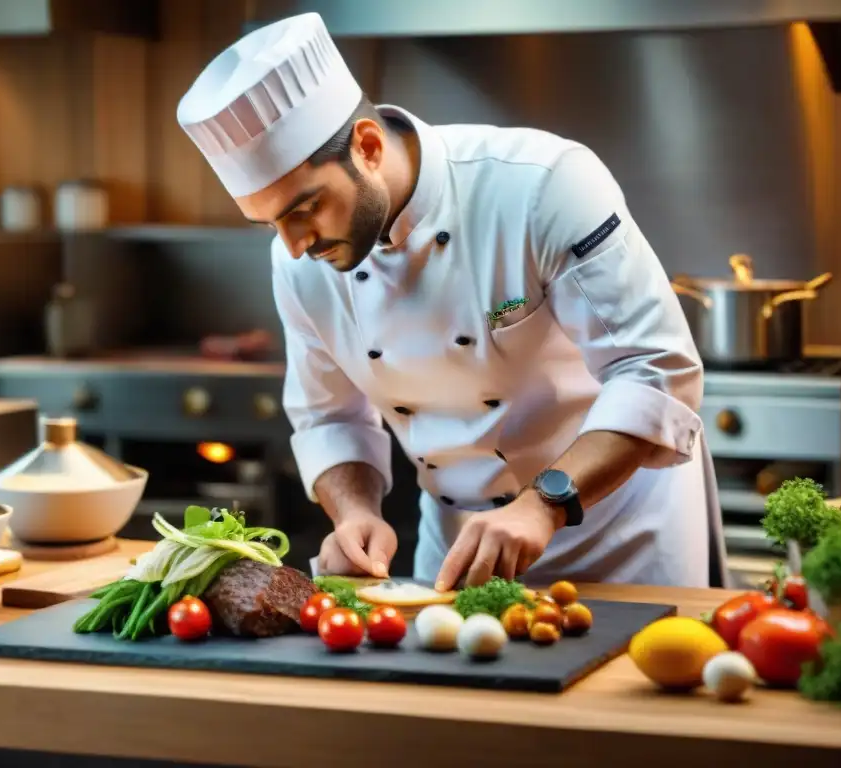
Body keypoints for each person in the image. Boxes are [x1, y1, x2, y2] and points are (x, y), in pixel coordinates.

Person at [177, 12, 728, 590]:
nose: (293, 246)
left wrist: (544, 505)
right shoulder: (301, 263)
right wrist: (355, 513)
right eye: (269, 225)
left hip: (619, 535)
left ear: (366, 145)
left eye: (304, 209)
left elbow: (654, 372)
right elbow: (329, 415)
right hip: (461, 551)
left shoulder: (540, 185)